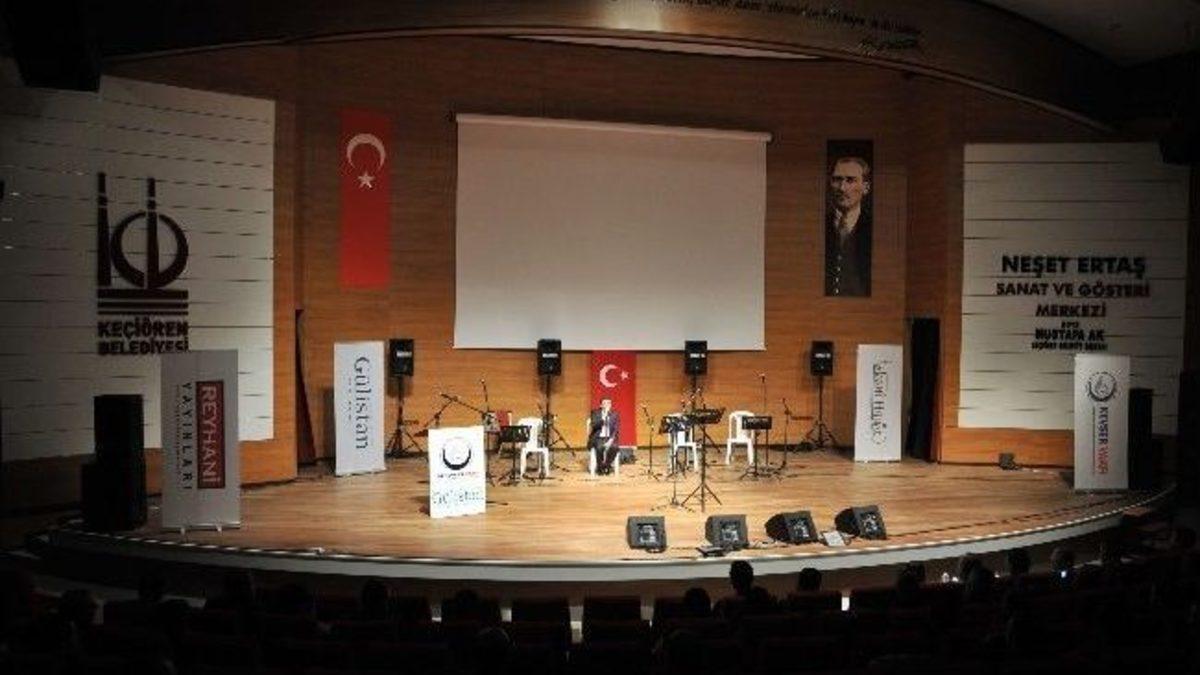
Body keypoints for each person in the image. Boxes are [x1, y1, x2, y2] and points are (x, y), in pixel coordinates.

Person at [824, 155, 873, 297]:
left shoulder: (874, 230)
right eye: (837, 180)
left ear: (866, 187)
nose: (842, 188)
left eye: (850, 180)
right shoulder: (820, 226)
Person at [588, 397, 620, 474]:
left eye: (609, 403)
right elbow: (594, 426)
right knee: (599, 447)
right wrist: (603, 418)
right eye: (605, 403)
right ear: (601, 405)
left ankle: (607, 465)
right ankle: (600, 467)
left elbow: (616, 429)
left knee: (615, 448)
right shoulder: (595, 413)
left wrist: (611, 440)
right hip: (598, 437)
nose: (607, 405)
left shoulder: (615, 414)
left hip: (610, 437)